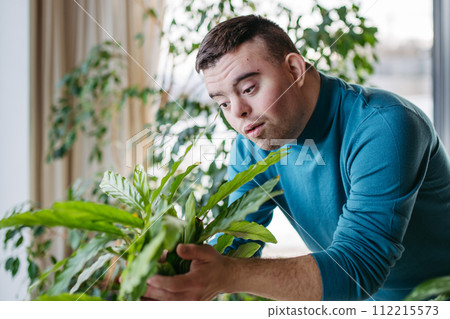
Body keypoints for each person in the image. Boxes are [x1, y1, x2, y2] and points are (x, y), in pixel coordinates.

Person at [143, 15, 450, 301]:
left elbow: (357, 268)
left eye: (248, 88)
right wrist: (165, 269)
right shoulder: (254, 143)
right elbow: (236, 244)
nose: (237, 113)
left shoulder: (385, 126)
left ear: (294, 69)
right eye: (223, 103)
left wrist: (226, 274)